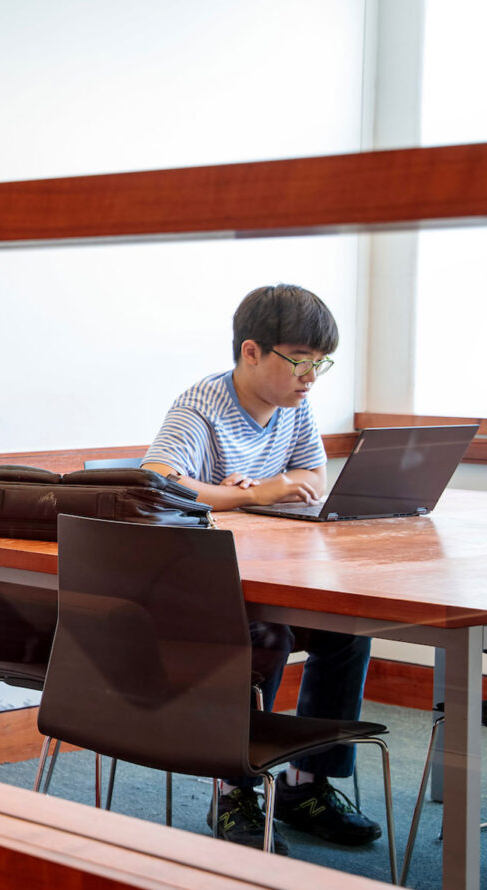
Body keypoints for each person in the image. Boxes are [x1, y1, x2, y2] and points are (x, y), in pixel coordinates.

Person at [141, 283, 378, 855]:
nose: (311, 376)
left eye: (320, 363)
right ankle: (235, 792)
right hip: (199, 589)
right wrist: (250, 495)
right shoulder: (202, 405)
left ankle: (305, 785)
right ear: (251, 352)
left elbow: (313, 477)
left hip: (271, 574)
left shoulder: (294, 405)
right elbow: (157, 479)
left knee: (347, 629)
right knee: (264, 634)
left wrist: (255, 491)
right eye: (300, 360)